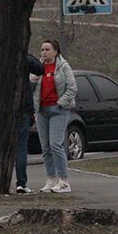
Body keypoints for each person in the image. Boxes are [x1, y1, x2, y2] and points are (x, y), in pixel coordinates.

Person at [34, 38, 78, 194]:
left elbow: (72, 88)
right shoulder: (38, 67)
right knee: (45, 147)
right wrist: (33, 80)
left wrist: (61, 103)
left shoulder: (63, 67)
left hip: (58, 109)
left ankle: (64, 181)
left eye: (47, 49)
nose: (44, 53)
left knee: (55, 144)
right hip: (42, 110)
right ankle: (51, 178)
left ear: (55, 51)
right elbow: (32, 88)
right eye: (42, 50)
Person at [12, 51, 43, 194]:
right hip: (22, 108)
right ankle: (21, 183)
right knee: (21, 147)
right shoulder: (23, 58)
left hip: (3, 109)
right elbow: (39, 68)